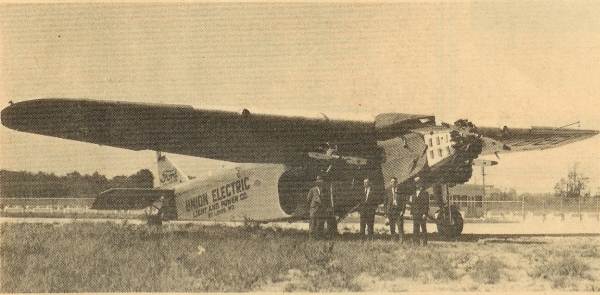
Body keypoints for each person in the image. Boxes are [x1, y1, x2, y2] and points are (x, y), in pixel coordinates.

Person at [385, 177, 407, 242]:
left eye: (394, 182)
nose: (393, 183)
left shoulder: (401, 190)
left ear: (396, 183)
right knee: (392, 226)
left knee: (400, 226)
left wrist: (402, 211)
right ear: (390, 183)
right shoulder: (387, 190)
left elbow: (404, 202)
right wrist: (386, 212)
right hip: (390, 211)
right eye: (392, 182)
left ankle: (401, 240)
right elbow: (385, 202)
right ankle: (393, 239)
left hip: (398, 211)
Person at [412, 180, 430, 246]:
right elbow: (413, 204)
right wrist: (412, 212)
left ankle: (425, 243)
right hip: (415, 213)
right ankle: (416, 243)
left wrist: (425, 213)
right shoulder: (414, 193)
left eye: (419, 183)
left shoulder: (425, 193)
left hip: (422, 214)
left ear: (421, 184)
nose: (417, 185)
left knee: (423, 228)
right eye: (416, 183)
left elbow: (426, 204)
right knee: (415, 228)